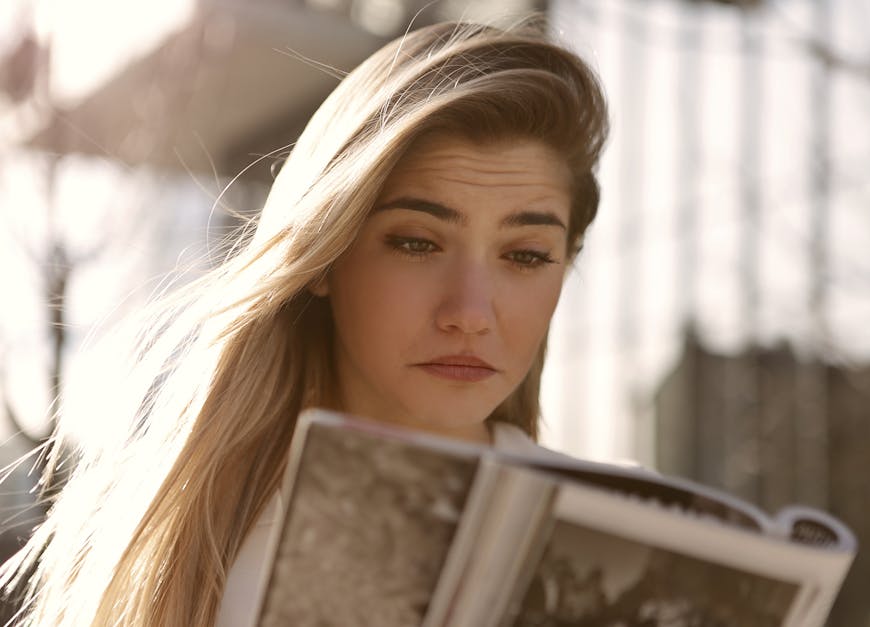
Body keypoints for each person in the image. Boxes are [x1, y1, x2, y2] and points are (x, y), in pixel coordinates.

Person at [1, 18, 608, 626]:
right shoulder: (186, 550)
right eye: (417, 243)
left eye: (526, 255)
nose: (470, 314)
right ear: (326, 257)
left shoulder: (620, 534)